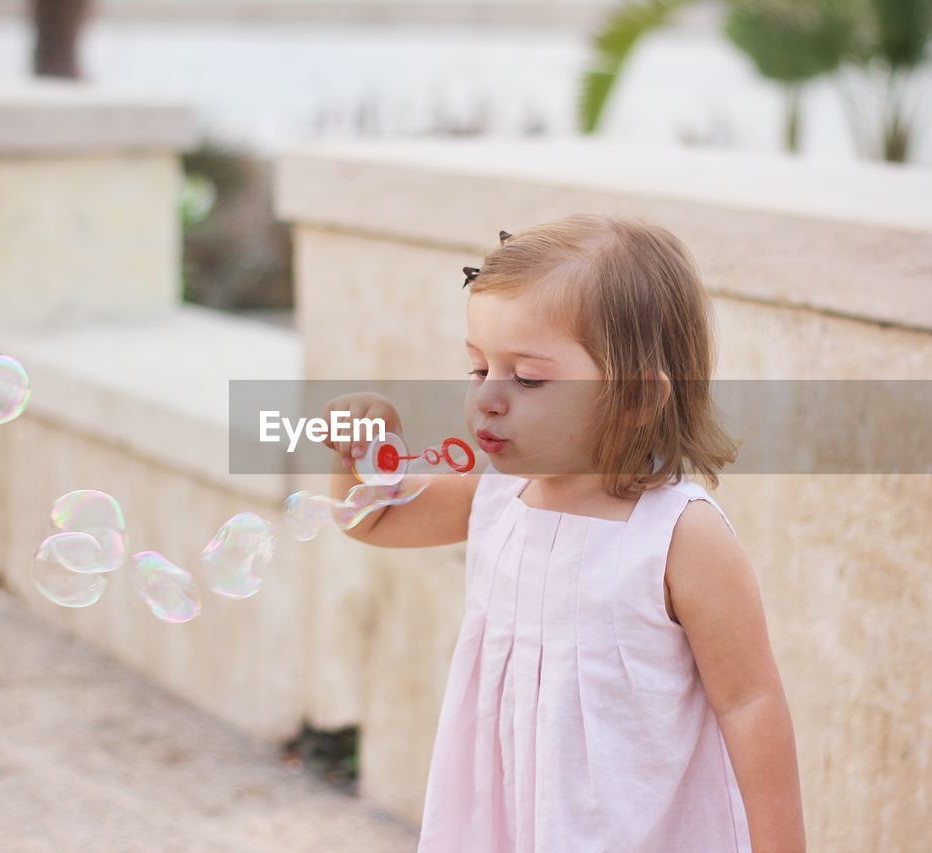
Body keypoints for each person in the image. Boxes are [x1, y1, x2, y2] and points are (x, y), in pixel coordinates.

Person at [320, 213, 805, 852]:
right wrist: (354, 455)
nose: (489, 398)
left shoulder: (680, 537)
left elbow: (751, 705)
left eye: (527, 378)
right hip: (511, 822)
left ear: (635, 398)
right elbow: (373, 519)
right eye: (478, 369)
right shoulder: (494, 491)